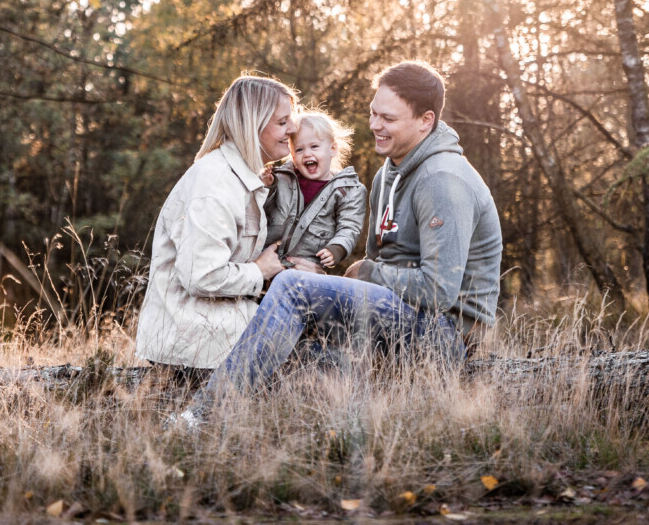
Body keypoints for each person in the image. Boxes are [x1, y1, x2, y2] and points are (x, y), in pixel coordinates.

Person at [171, 60, 502, 424]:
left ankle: (200, 418)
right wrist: (329, 278)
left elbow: (439, 292)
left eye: (388, 119)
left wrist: (365, 272)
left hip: (447, 335)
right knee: (300, 333)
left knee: (295, 288)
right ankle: (270, 422)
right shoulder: (387, 175)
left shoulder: (442, 180)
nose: (375, 125)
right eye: (374, 113)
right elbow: (377, 273)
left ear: (425, 120)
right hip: (402, 315)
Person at [134, 75, 320, 374]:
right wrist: (260, 271)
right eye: (283, 121)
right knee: (321, 363)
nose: (293, 129)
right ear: (252, 124)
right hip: (196, 345)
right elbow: (201, 275)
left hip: (220, 329)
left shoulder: (246, 178)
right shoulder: (215, 185)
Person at [262, 111, 367, 272]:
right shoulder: (282, 179)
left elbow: (349, 226)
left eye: (314, 146)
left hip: (307, 266)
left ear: (332, 149)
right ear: (292, 155)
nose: (307, 154)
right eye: (299, 150)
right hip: (270, 261)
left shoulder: (347, 190)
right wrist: (268, 188)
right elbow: (264, 211)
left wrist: (337, 247)